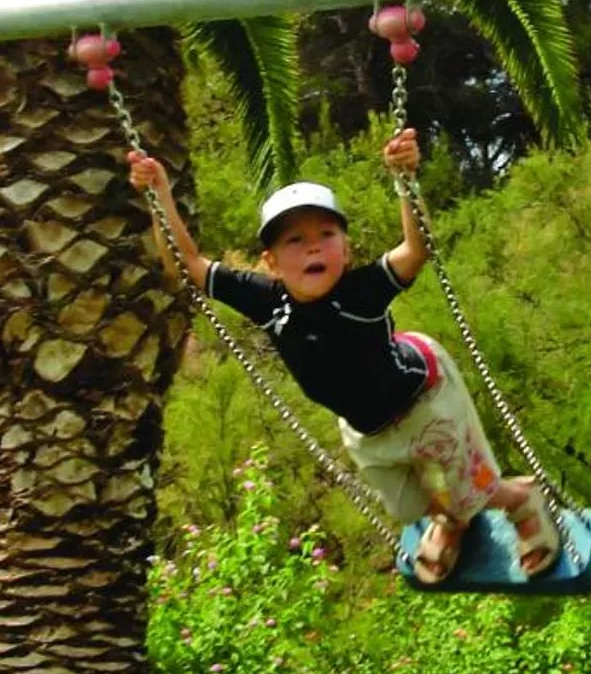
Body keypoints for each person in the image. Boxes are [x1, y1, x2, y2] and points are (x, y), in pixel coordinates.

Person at [127, 128, 561, 583]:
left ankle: (520, 500)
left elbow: (417, 249)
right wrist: (160, 193)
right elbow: (184, 264)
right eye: (294, 240)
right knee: (409, 504)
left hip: (421, 398)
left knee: (470, 490)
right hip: (364, 427)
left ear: (346, 249)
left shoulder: (361, 293)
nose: (313, 245)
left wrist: (404, 180)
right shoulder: (264, 299)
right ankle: (451, 519)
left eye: (326, 234)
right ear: (271, 261)